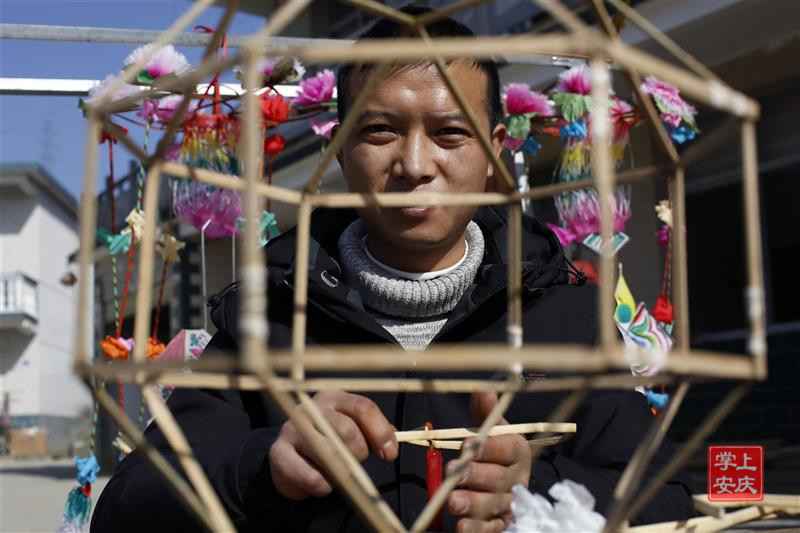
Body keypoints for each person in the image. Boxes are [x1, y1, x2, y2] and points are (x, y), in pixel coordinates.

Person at [92, 7, 693, 532]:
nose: (413, 164)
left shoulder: (567, 318)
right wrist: (263, 466)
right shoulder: (267, 319)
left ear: (495, 150)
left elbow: (669, 498)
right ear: (341, 147)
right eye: (380, 131)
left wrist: (537, 484)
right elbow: (124, 510)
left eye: (449, 133)